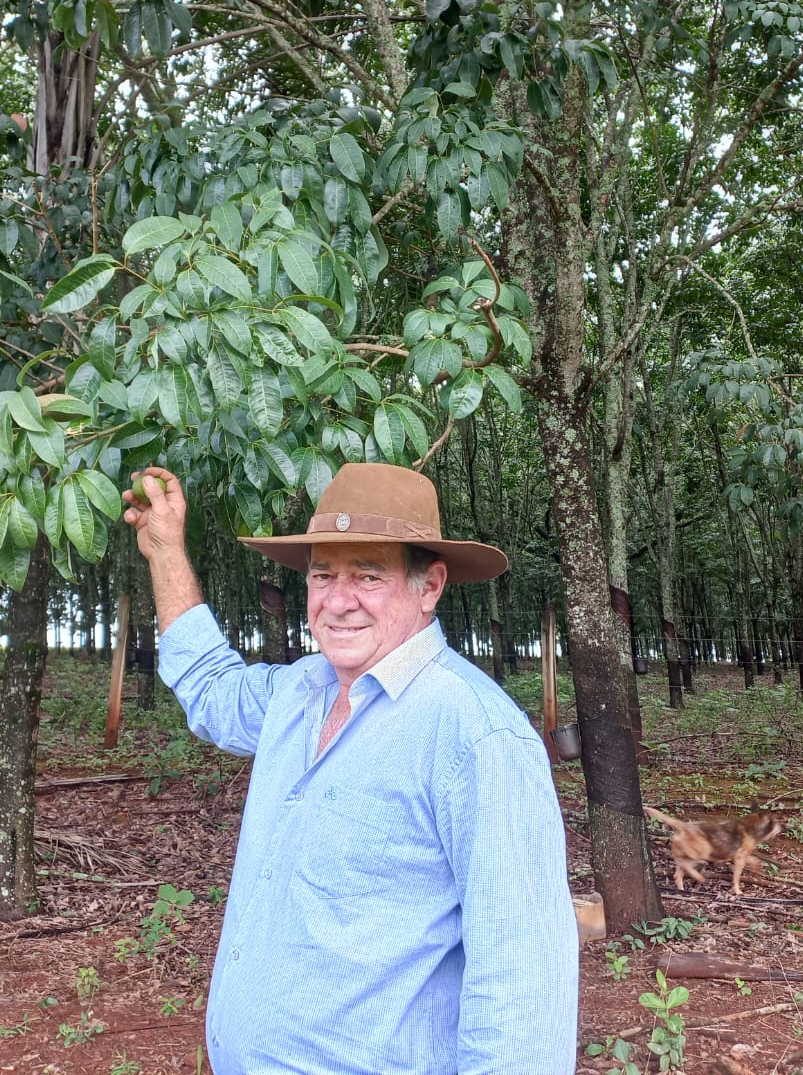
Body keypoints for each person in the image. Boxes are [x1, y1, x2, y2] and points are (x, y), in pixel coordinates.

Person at [123, 461, 578, 1075]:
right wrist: (165, 551)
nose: (338, 602)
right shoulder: (299, 692)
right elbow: (211, 688)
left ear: (430, 586)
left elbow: (521, 988)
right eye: (322, 575)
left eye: (368, 575)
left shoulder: (475, 736)